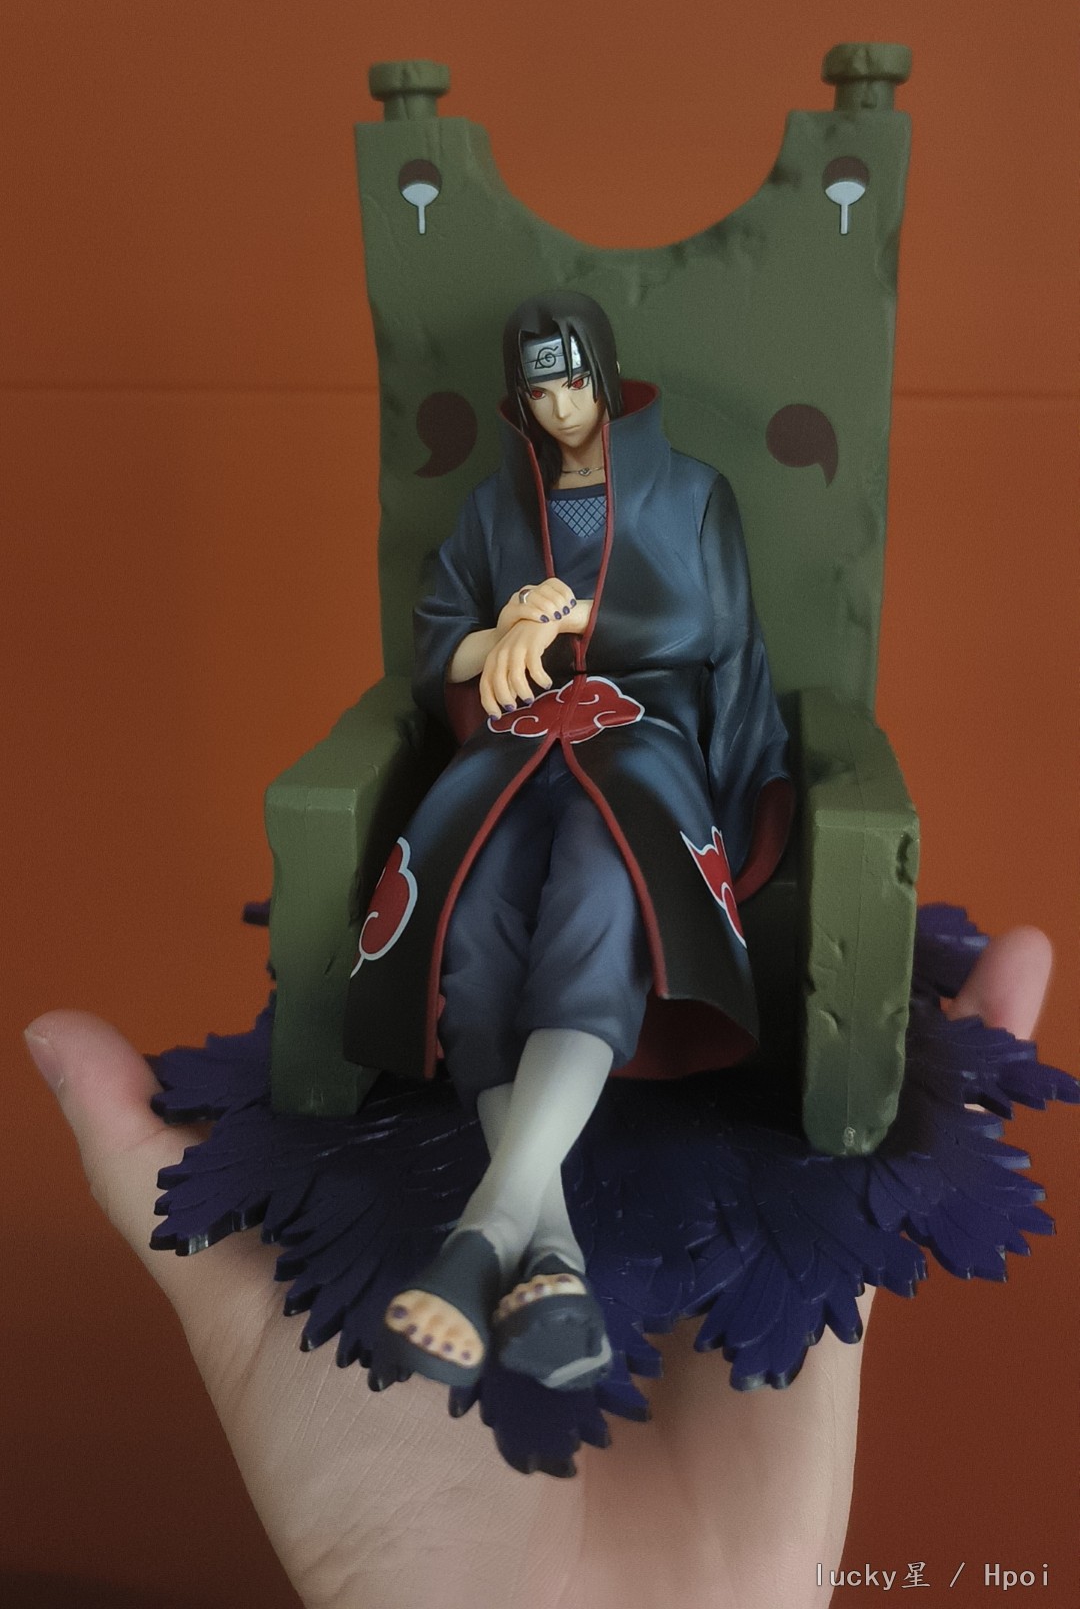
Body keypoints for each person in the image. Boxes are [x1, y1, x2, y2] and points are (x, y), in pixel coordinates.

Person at [24, 928, 1052, 1609]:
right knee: (502, 982)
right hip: (514, 885)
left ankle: (503, 1223)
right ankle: (529, 1235)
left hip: (656, 917)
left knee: (556, 970)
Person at [343, 292, 793, 1393]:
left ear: (607, 372)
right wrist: (502, 632)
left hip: (641, 744)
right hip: (511, 749)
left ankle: (484, 1233)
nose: (560, 409)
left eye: (575, 383)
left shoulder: (693, 494)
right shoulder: (494, 508)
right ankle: (550, 1260)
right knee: (471, 913)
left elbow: (717, 637)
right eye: (538, 391)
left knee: (601, 885)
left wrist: (571, 619)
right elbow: (439, 645)